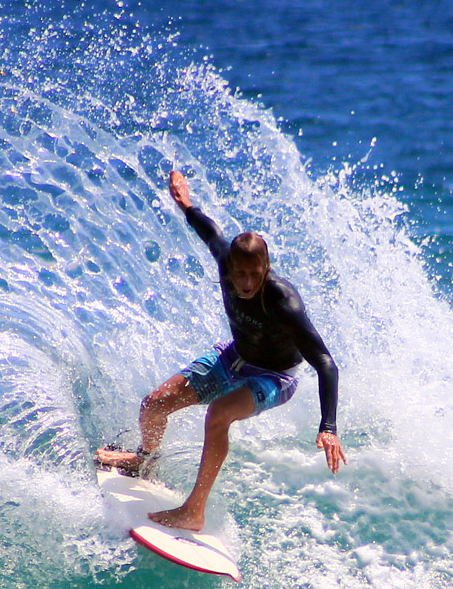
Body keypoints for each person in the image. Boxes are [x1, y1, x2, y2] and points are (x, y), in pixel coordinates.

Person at [96, 170, 346, 531]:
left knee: (218, 414)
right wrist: (185, 203)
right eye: (239, 274)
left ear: (266, 268)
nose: (244, 284)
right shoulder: (225, 261)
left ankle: (194, 511)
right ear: (230, 266)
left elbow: (325, 362)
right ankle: (144, 460)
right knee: (155, 403)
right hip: (233, 357)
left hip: (274, 376)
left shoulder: (284, 302)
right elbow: (209, 230)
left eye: (253, 275)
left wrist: (329, 426)